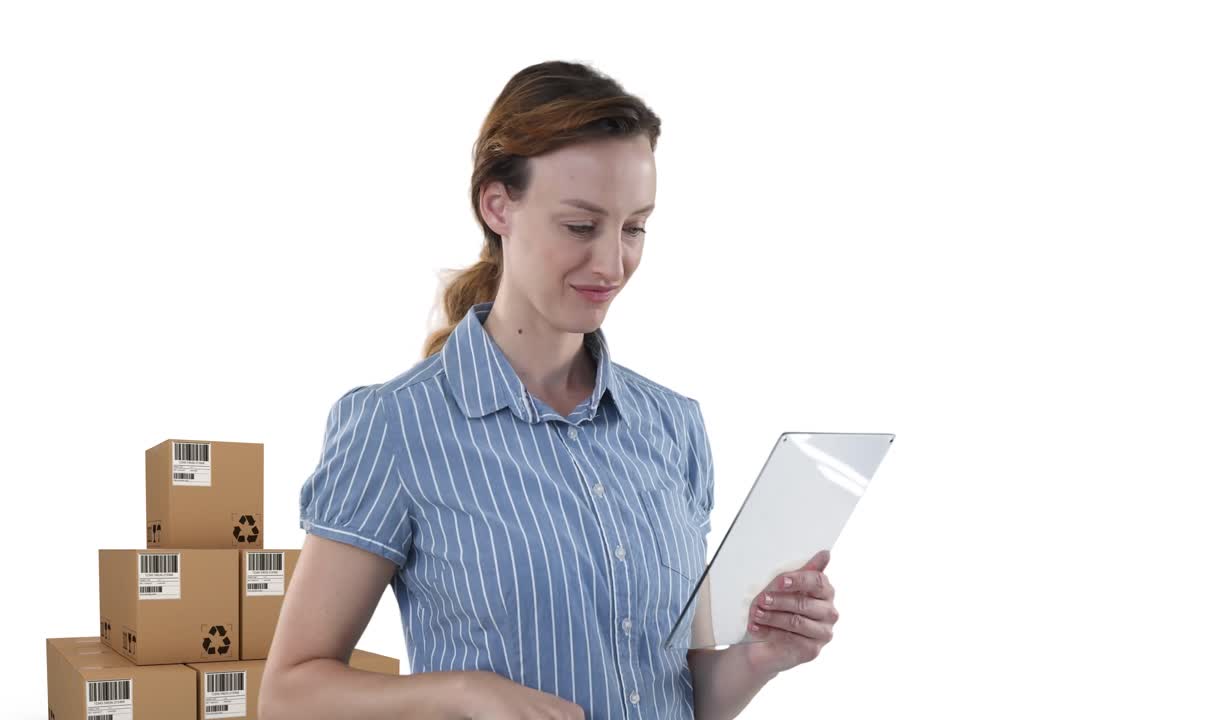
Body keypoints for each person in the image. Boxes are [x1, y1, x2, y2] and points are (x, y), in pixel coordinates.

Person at [259, 60, 840, 720]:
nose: (612, 263)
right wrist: (465, 693)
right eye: (580, 226)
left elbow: (680, 690)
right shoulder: (394, 428)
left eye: (635, 226)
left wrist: (759, 657)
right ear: (498, 204)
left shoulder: (673, 427)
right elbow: (289, 694)